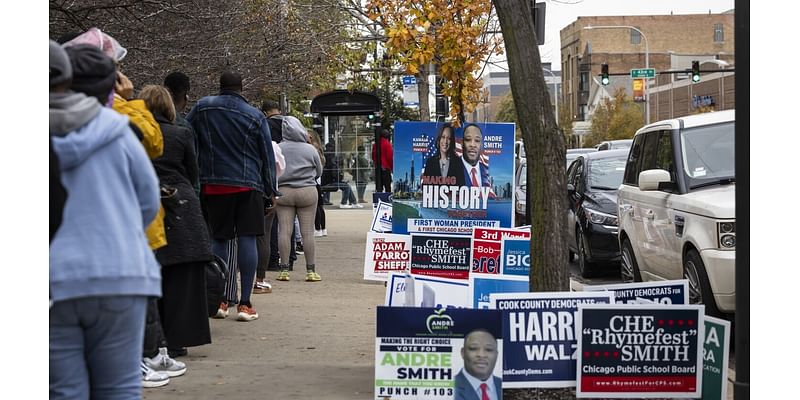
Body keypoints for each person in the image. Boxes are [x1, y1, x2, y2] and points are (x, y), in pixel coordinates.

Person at [49, 39, 162, 399]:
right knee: (120, 388)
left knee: (64, 390)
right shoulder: (119, 130)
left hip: (55, 280)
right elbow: (148, 201)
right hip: (121, 273)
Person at [187, 71, 280, 322]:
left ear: (220, 86)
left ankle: (220, 299)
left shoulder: (202, 108)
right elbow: (266, 156)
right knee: (248, 239)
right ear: (242, 88)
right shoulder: (255, 115)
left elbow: (187, 134)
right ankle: (246, 303)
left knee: (219, 239)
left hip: (213, 184)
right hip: (248, 185)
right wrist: (271, 189)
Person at [139, 85, 213, 365]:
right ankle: (178, 339)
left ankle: (152, 339)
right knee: (182, 275)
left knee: (153, 269)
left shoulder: (134, 133)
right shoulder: (181, 133)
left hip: (146, 200)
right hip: (179, 204)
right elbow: (193, 174)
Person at [274, 117, 323, 282]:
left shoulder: (278, 148)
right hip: (307, 191)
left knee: (284, 231)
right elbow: (319, 171)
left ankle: (284, 270)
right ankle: (311, 271)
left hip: (284, 192)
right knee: (308, 232)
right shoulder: (310, 149)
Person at [254, 139, 285, 294]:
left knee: (238, 239)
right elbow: (279, 168)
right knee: (263, 236)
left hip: (240, 189)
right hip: (264, 192)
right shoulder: (271, 144)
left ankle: (232, 283)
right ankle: (259, 280)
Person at [454, 329, 502, 400]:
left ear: (496, 355)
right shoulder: (448, 388)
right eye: (473, 348)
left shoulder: (503, 385)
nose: (481, 355)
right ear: (463, 353)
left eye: (489, 349)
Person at [322, 142, 360, 208]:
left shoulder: (327, 159)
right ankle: (343, 203)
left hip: (328, 182)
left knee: (346, 186)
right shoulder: (331, 160)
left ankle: (353, 202)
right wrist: (340, 178)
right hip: (329, 183)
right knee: (346, 187)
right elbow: (334, 175)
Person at [308, 131, 328, 236]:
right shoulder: (318, 149)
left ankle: (317, 228)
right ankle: (322, 228)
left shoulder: (312, 148)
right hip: (317, 180)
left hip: (314, 179)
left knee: (316, 206)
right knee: (320, 205)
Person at [460, 124, 492, 189]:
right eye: (468, 139)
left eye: (477, 140)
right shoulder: (452, 167)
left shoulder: (485, 170)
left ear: (481, 145)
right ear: (462, 143)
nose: (472, 145)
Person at [371, 128, 394, 193]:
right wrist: (392, 168)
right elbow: (390, 157)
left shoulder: (375, 144)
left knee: (379, 188)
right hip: (385, 168)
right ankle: (387, 201)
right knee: (387, 187)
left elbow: (373, 156)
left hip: (378, 168)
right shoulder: (387, 144)